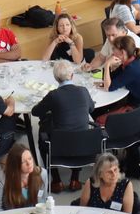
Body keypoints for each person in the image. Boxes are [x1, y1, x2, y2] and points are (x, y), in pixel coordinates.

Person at [32, 60, 94, 193]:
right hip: (83, 144)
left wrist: (51, 111)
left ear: (56, 78)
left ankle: (56, 180)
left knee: (42, 134)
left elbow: (35, 112)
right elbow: (91, 108)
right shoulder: (83, 91)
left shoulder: (53, 95)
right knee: (78, 131)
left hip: (59, 145)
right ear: (72, 76)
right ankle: (75, 179)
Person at [0, 144, 47, 213]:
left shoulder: (42, 174)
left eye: (30, 158)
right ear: (15, 165)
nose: (29, 163)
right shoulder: (2, 177)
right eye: (23, 162)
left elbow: (42, 202)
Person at [102, 35, 140, 106]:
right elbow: (110, 77)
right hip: (134, 98)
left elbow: (108, 87)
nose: (112, 52)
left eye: (114, 49)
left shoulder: (132, 68)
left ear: (122, 52)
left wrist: (107, 64)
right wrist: (108, 67)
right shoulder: (129, 62)